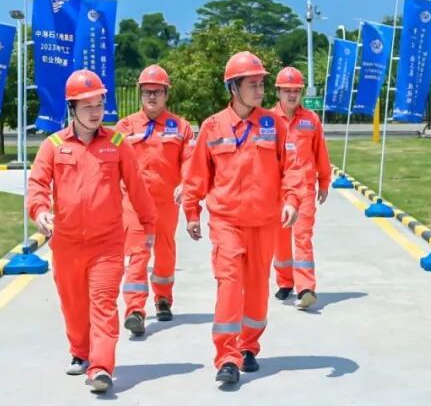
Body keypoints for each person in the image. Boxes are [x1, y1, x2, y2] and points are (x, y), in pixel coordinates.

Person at [26, 69, 157, 394]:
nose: (96, 111)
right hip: (67, 244)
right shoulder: (54, 145)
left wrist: (148, 225)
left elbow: (137, 188)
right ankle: (80, 352)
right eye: (87, 106)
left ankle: (101, 368)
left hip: (107, 244)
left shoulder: (117, 144)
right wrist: (40, 211)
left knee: (103, 304)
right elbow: (37, 185)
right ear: (72, 108)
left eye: (99, 104)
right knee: (73, 305)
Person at [182, 51, 302, 385]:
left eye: (262, 83)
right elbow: (196, 174)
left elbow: (292, 168)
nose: (260, 90)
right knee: (230, 285)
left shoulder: (274, 125)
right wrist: (191, 211)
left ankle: (249, 346)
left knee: (258, 289)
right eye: (253, 84)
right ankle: (227, 357)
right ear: (233, 87)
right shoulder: (212, 127)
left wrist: (292, 199)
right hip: (226, 223)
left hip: (264, 223)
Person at [116, 64, 195, 336]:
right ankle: (135, 310)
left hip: (166, 202)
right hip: (134, 204)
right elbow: (111, 162)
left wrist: (185, 183)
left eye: (158, 92)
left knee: (165, 251)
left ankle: (163, 298)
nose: (152, 96)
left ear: (166, 94)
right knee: (138, 253)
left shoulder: (181, 127)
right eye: (147, 92)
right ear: (140, 93)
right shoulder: (125, 127)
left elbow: (189, 161)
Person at [270, 66, 331, 310]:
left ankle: (305, 287)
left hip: (304, 188)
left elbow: (321, 153)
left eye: (296, 90)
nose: (292, 95)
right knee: (280, 239)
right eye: (287, 90)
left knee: (303, 237)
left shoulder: (311, 120)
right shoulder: (267, 121)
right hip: (276, 190)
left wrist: (324, 181)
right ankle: (285, 282)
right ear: (278, 92)